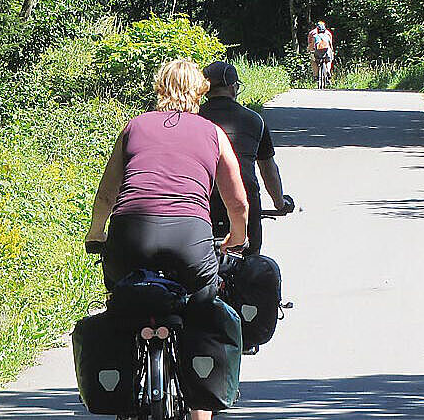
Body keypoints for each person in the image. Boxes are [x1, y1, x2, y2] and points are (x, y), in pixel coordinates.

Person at [84, 59, 250, 420]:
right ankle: (200, 409)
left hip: (130, 237)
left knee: (123, 302)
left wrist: (96, 233)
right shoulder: (212, 133)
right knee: (201, 315)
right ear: (200, 91)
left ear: (159, 88)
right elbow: (236, 201)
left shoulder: (134, 127)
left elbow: (106, 195)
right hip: (188, 239)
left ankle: (125, 395)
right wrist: (237, 238)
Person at [200, 61, 291, 256]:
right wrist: (279, 202)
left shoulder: (193, 118)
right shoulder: (254, 120)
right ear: (233, 87)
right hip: (246, 202)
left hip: (201, 203)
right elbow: (268, 169)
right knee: (251, 266)